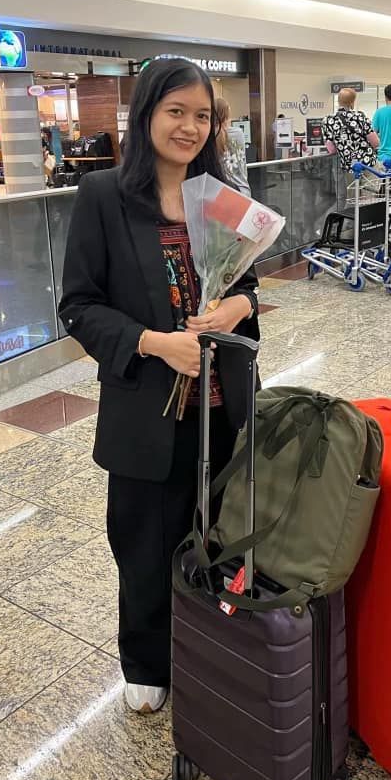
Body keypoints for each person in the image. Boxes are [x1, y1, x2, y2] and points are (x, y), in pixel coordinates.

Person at [59, 58, 260, 715]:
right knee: (145, 542)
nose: (190, 128)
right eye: (176, 112)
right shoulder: (105, 196)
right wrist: (153, 342)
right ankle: (147, 660)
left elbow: (247, 285)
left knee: (221, 532)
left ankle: (217, 644)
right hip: (149, 410)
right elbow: (78, 306)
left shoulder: (221, 197)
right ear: (146, 114)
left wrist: (239, 307)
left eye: (202, 116)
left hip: (222, 406)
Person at [323, 87, 379, 171]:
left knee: (353, 180)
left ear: (338, 101)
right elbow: (375, 143)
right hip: (368, 164)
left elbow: (332, 150)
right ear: (352, 102)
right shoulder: (361, 117)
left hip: (349, 166)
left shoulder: (328, 120)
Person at [214, 97, 250, 195]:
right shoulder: (238, 133)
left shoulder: (209, 136)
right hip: (242, 189)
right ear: (226, 116)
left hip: (221, 192)